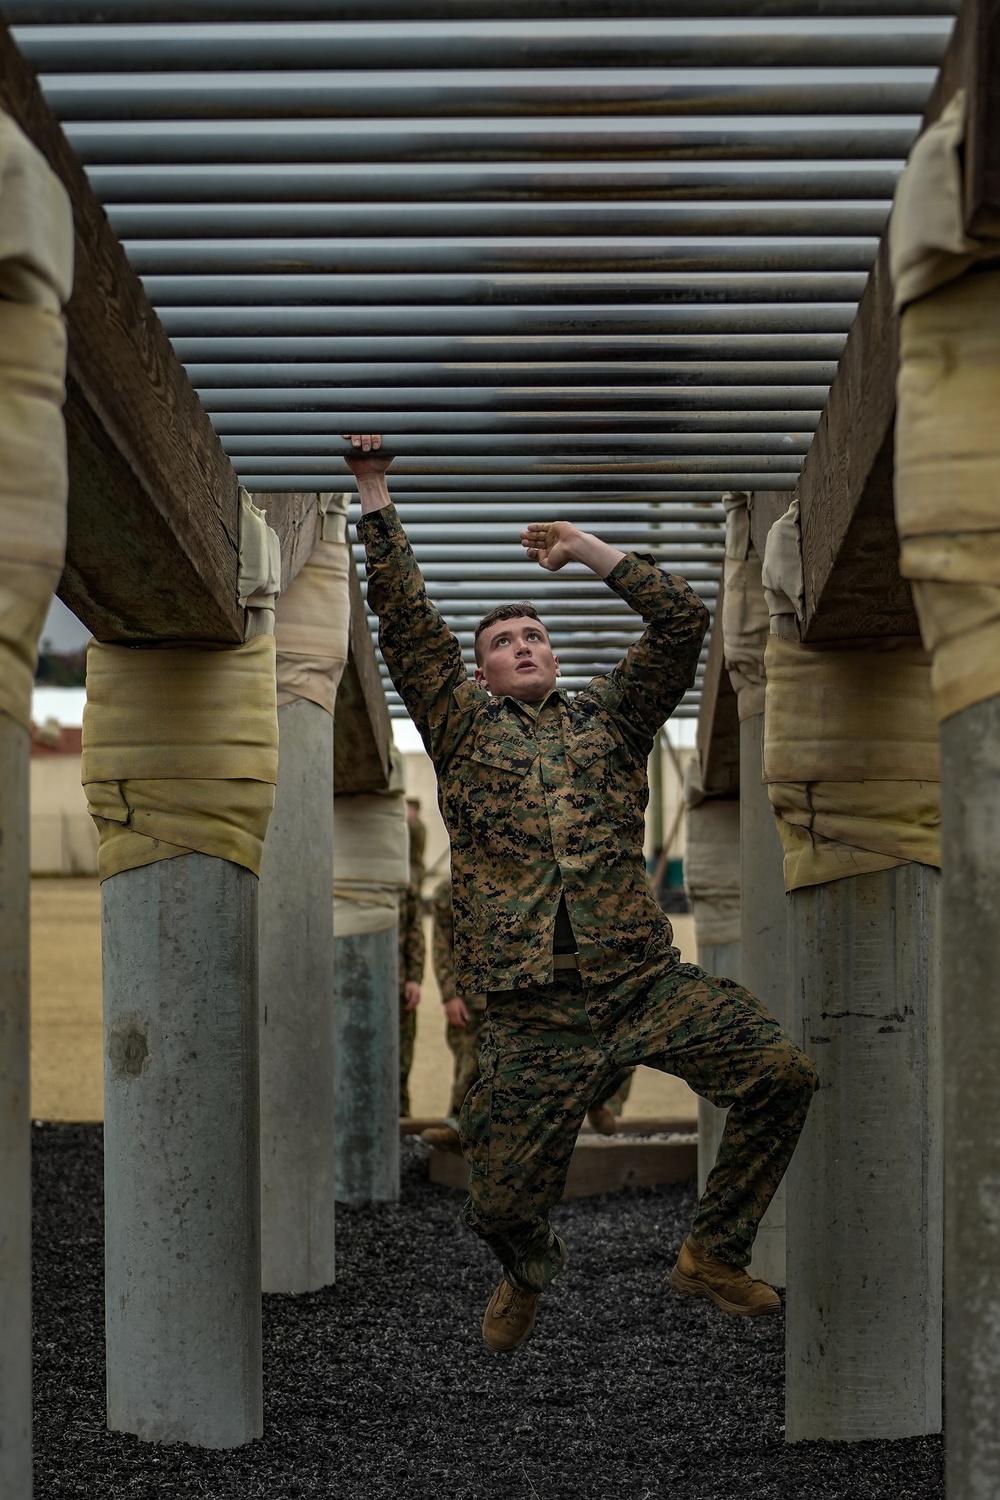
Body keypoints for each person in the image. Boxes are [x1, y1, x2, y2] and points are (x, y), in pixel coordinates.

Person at [344, 433, 818, 1354]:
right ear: (478, 673)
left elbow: (682, 624)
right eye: (502, 643)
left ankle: (712, 1253)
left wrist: (591, 551)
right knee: (497, 1201)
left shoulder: (611, 717)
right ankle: (526, 1266)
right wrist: (373, 489)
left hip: (642, 984)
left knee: (781, 1076)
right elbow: (404, 620)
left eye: (533, 635)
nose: (522, 647)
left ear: (553, 656)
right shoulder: (460, 730)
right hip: (532, 1015)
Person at [421, 874, 633, 1149]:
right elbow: (441, 945)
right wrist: (450, 995)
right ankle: (461, 1129)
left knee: (595, 1053)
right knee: (474, 1062)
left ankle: (594, 1104)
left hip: (532, 984)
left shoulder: (538, 875)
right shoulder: (450, 890)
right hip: (477, 993)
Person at [397, 801, 426, 1118]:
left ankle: (400, 1129)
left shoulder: (408, 880)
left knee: (400, 1066)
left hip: (399, 985)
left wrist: (415, 978)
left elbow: (415, 931)